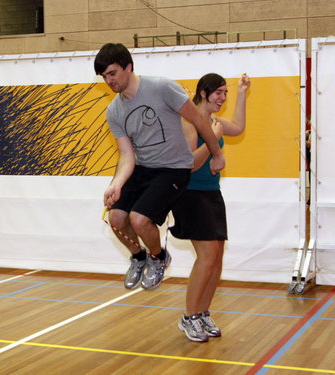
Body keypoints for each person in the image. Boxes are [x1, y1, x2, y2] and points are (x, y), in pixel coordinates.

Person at [94, 43, 225, 290]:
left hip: (174, 168)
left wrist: (216, 154)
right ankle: (139, 257)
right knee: (116, 217)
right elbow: (126, 155)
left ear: (128, 67)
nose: (108, 81)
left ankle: (158, 258)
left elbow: (197, 119)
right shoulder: (114, 111)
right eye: (104, 77)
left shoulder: (162, 87)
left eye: (112, 73)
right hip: (143, 168)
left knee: (140, 219)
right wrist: (116, 184)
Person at [171, 73, 251, 342]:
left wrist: (242, 93)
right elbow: (190, 163)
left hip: (212, 193)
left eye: (225, 93)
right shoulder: (189, 122)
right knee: (205, 258)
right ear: (203, 93)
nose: (222, 98)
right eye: (219, 92)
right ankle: (189, 317)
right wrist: (212, 140)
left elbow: (238, 127)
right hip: (189, 195)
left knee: (216, 259)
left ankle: (203, 313)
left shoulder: (215, 122)